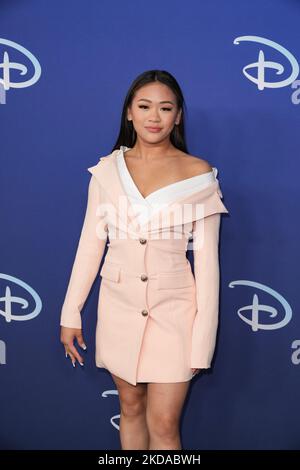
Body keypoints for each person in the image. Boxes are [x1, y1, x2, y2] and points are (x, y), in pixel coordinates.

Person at [60, 69, 229, 450]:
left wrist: (202, 341)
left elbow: (207, 266)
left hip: (175, 314)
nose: (155, 117)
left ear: (178, 116)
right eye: (145, 106)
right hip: (119, 308)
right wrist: (71, 313)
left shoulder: (199, 174)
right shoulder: (106, 172)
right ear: (129, 114)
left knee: (165, 425)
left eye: (166, 108)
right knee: (131, 407)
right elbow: (90, 244)